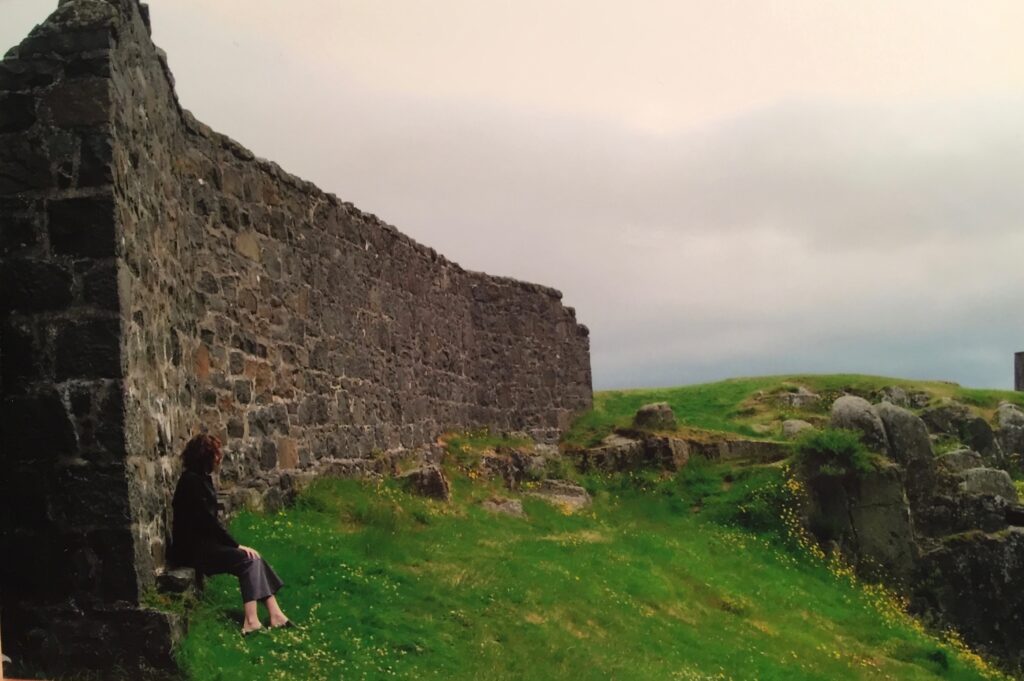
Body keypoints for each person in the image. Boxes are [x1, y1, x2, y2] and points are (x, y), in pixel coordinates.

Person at [168, 433, 292, 635]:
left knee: (254, 557)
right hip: (192, 550)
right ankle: (251, 621)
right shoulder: (191, 482)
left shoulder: (201, 479)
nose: (219, 459)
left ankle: (276, 614)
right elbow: (208, 522)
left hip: (203, 544)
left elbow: (209, 523)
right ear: (206, 456)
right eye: (216, 454)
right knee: (247, 560)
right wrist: (235, 545)